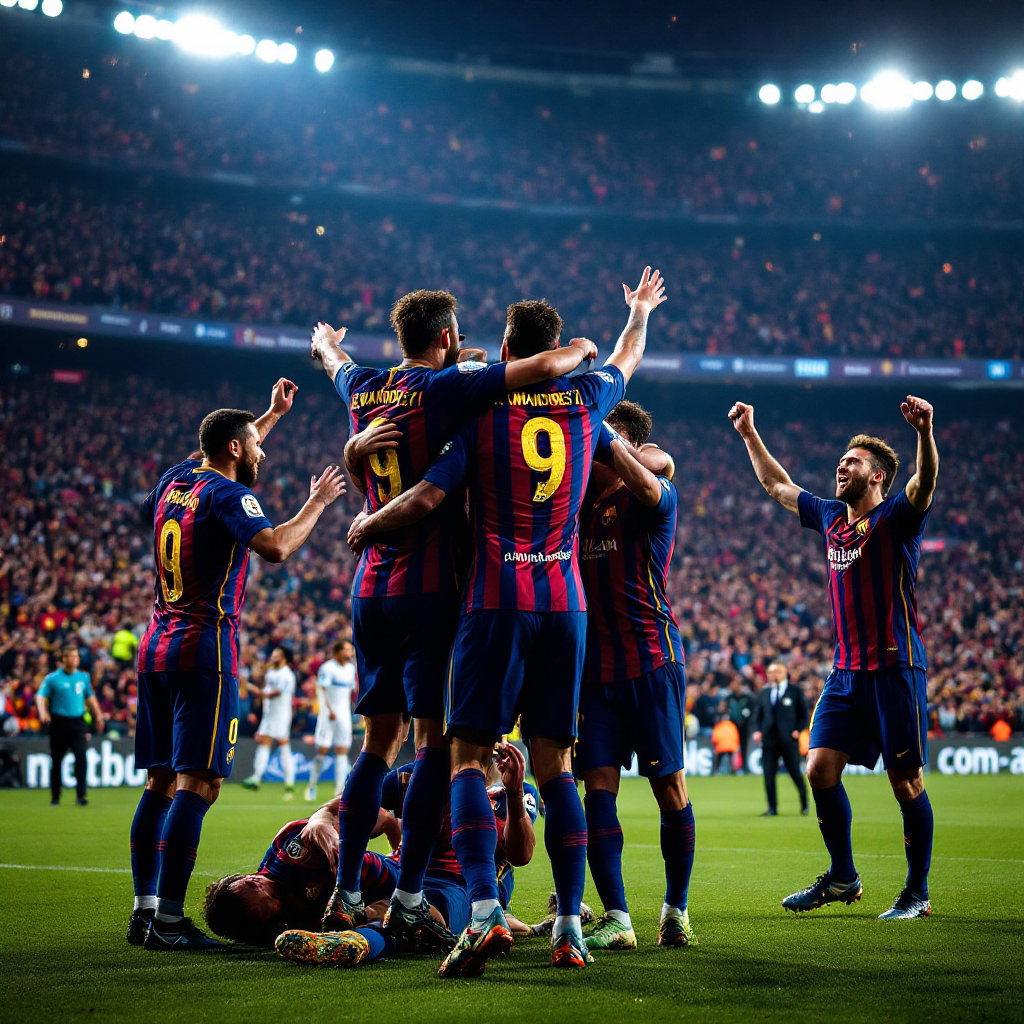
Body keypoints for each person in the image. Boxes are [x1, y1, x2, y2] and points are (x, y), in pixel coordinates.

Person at [348, 268, 665, 973]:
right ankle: (570, 927)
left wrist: (369, 519)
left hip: (494, 600)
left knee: (466, 757)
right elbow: (629, 354)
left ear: (504, 350)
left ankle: (486, 911)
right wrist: (639, 311)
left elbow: (428, 497)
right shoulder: (589, 399)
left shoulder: (480, 412)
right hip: (565, 602)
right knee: (556, 769)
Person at [311, 289, 596, 952]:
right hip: (435, 589)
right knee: (435, 749)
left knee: (375, 746)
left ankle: (346, 892)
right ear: (446, 337)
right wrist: (584, 348)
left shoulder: (363, 386)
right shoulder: (449, 389)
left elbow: (334, 361)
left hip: (369, 587)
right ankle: (409, 898)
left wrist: (326, 346)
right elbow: (542, 368)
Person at [128, 377, 347, 951]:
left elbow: (220, 448)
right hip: (204, 648)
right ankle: (169, 922)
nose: (262, 452)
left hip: (156, 646)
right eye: (255, 445)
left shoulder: (175, 480)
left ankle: (145, 911)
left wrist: (269, 417)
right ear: (233, 449)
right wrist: (318, 503)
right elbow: (276, 546)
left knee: (158, 782)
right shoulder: (229, 496)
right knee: (197, 783)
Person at [729, 394, 939, 920]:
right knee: (819, 769)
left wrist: (924, 433)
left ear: (876, 477)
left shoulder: (896, 516)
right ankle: (843, 876)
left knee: (906, 783)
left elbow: (924, 483)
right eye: (841, 461)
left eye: (852, 462)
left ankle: (917, 893)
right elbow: (777, 486)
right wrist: (750, 433)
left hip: (895, 668)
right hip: (846, 673)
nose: (841, 466)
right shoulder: (828, 516)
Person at [203, 742, 537, 969]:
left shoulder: (511, 791)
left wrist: (514, 794)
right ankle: (356, 929)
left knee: (428, 912)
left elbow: (520, 855)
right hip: (402, 870)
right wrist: (322, 818)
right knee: (398, 908)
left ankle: (358, 940)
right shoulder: (412, 777)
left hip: (457, 884)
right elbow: (358, 807)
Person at [573, 401, 696, 952]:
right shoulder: (575, 504)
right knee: (596, 791)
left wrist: (595, 423)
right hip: (595, 675)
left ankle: (676, 910)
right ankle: (618, 917)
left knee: (669, 788)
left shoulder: (652, 495)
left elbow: (655, 471)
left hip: (651, 660)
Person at [35, 644, 104, 806]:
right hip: (59, 722)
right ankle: (55, 796)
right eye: (72, 656)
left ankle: (81, 795)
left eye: (77, 657)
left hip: (78, 722)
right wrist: (42, 712)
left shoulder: (83, 677)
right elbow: (40, 696)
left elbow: (90, 697)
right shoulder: (52, 678)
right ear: (64, 658)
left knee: (81, 758)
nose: (75, 659)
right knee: (57, 760)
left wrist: (98, 714)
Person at [751, 663, 809, 816]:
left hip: (788, 739)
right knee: (768, 775)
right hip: (769, 740)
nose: (773, 675)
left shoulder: (794, 691)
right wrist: (757, 730)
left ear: (784, 673)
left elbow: (803, 713)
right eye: (770, 672)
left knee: (795, 772)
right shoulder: (764, 692)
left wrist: (798, 729)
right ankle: (772, 808)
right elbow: (758, 715)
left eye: (776, 671)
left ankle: (804, 802)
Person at [242, 645, 297, 798]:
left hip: (281, 714)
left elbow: (277, 692)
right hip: (270, 714)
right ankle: (258, 778)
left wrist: (259, 692)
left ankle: (288, 782)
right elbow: (267, 690)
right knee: (267, 743)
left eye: (276, 654)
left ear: (284, 658)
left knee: (282, 745)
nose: (273, 656)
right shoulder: (271, 672)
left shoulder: (287, 675)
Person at [306, 639, 357, 801]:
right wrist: (328, 710)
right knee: (322, 750)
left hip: (344, 715)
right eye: (346, 650)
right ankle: (312, 785)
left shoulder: (350, 669)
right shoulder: (327, 668)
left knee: (342, 750)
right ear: (338, 652)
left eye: (351, 650)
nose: (350, 653)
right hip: (328, 715)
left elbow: (349, 694)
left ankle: (339, 791)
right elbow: (322, 690)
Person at [727, 676, 755, 773]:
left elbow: (752, 710)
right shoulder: (729, 698)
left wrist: (745, 719)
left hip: (744, 726)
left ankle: (744, 767)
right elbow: (726, 709)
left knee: (744, 746)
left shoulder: (747, 698)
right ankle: (732, 767)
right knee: (730, 747)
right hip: (732, 726)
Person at [711, 709, 741, 776]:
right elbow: (736, 737)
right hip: (732, 747)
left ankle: (716, 771)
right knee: (732, 759)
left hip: (721, 747)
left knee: (718, 759)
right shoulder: (733, 726)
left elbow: (715, 738)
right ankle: (733, 771)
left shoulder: (719, 726)